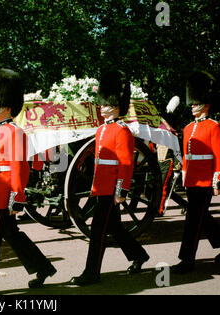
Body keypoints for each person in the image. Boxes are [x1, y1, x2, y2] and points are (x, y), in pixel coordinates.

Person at [70, 70, 149, 286]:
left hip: (111, 190)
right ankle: (139, 255)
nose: (102, 107)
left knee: (98, 231)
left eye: (106, 104)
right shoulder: (101, 130)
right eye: (102, 104)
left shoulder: (122, 131)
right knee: (113, 227)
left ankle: (91, 272)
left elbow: (125, 164)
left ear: (116, 106)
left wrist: (121, 191)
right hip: (100, 187)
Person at [0, 68, 57, 289]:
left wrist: (16, 197)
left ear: (7, 106)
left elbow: (18, 167)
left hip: (4, 194)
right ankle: (42, 267)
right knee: (10, 235)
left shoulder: (14, 132)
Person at [172, 71, 220, 274]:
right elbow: (186, 156)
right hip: (191, 178)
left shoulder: (214, 127)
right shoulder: (188, 127)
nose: (192, 106)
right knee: (201, 218)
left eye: (195, 102)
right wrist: (184, 173)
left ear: (205, 104)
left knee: (193, 220)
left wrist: (218, 181)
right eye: (192, 103)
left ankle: (187, 259)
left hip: (206, 180)